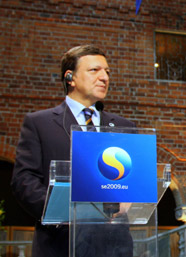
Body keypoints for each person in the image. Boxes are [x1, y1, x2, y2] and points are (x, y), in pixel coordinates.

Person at [11, 45, 135, 257]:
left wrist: (132, 196)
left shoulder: (125, 127)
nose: (104, 77)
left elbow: (133, 179)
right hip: (60, 243)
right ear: (70, 78)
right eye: (94, 70)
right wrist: (63, 212)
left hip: (115, 246)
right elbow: (24, 181)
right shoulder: (40, 124)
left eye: (107, 71)